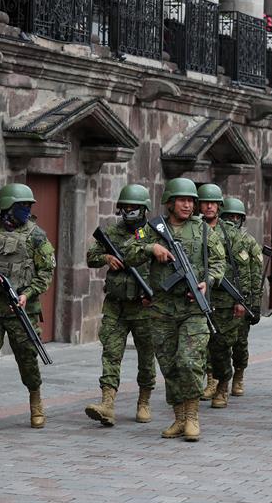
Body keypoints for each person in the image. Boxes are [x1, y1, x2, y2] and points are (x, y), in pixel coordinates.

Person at [124, 178, 226, 442]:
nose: (187, 204)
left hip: (193, 308)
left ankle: (192, 417)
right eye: (182, 200)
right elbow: (128, 253)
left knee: (189, 362)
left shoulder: (204, 230)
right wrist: (151, 247)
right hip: (161, 309)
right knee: (168, 364)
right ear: (169, 202)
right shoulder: (150, 228)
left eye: (191, 200)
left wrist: (209, 282)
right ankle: (179, 417)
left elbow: (218, 263)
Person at [0, 183, 55, 435]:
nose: (27, 210)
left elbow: (46, 272)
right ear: (7, 207)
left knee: (28, 360)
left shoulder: (36, 235)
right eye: (22, 206)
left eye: (29, 206)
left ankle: (36, 402)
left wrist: (28, 294)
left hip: (21, 311)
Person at [84, 184, 156, 426]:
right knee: (111, 354)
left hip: (144, 306)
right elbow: (90, 257)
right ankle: (107, 403)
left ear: (144, 209)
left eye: (134, 208)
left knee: (146, 356)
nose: (129, 211)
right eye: (125, 207)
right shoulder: (112, 233)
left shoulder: (154, 235)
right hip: (116, 305)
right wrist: (106, 257)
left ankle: (144, 401)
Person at [202, 190, 263, 408]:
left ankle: (227, 381)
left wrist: (247, 302)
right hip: (200, 297)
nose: (233, 220)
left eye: (238, 217)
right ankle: (211, 381)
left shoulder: (235, 237)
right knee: (204, 345)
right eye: (205, 203)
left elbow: (247, 272)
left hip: (226, 300)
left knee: (228, 344)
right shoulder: (193, 230)